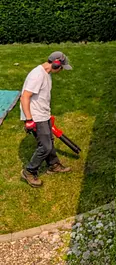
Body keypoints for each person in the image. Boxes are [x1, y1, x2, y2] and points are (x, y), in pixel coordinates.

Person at [20, 51, 73, 188]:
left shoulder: (46, 74)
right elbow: (24, 97)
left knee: (49, 140)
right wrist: (29, 120)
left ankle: (53, 165)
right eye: (62, 67)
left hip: (43, 114)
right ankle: (29, 171)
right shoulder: (37, 75)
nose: (61, 70)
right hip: (35, 116)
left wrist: (47, 113)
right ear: (56, 64)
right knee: (45, 146)